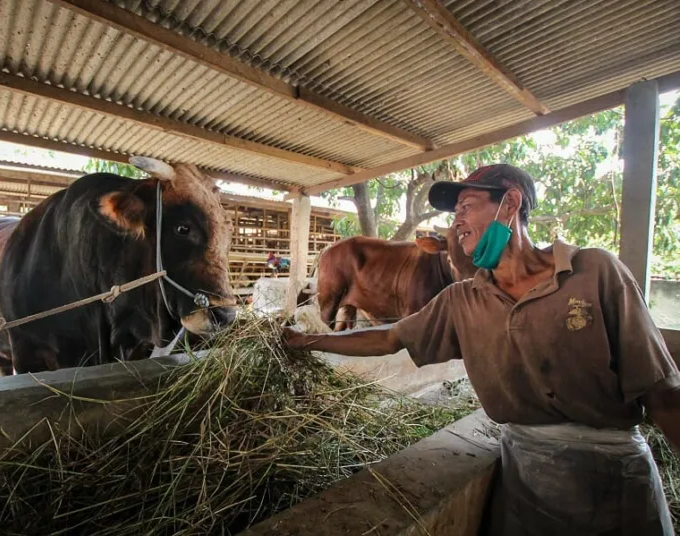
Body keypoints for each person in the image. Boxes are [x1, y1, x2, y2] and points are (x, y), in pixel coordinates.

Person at [283, 164, 680, 535]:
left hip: (617, 480)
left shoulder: (595, 271)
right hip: (528, 482)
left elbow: (661, 393)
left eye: (466, 207)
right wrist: (308, 341)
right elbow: (389, 338)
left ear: (510, 203)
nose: (456, 222)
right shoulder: (462, 300)